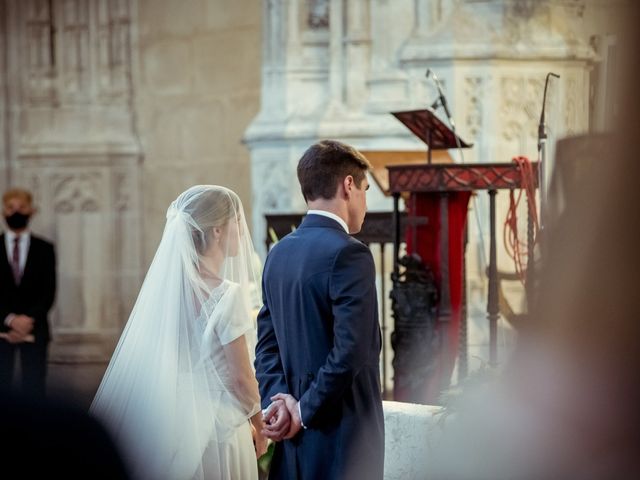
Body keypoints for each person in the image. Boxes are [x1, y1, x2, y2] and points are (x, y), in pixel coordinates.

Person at [90, 186, 267, 480]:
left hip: (173, 422)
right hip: (219, 427)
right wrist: (261, 426)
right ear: (216, 232)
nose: (241, 230)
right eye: (236, 222)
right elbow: (241, 378)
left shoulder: (168, 293)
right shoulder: (227, 295)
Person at [255, 140, 385, 480]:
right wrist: (303, 411)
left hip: (292, 446)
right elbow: (351, 351)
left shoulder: (279, 253)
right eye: (365, 190)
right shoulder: (350, 254)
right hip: (343, 438)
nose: (365, 203)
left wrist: (278, 404)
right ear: (348, 185)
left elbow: (266, 346)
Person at [0, 188, 56, 398]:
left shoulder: (45, 248)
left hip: (35, 328)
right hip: (1, 329)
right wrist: (10, 319)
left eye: (22, 207)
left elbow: (48, 291)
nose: (16, 212)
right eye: (11, 208)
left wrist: (27, 320)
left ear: (31, 211)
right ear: (3, 212)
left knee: (34, 389)